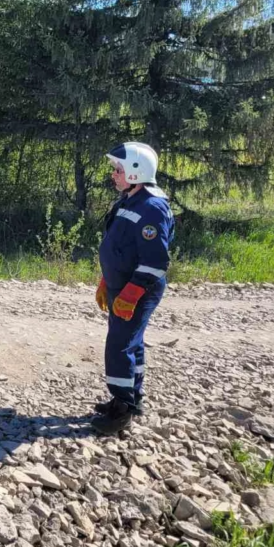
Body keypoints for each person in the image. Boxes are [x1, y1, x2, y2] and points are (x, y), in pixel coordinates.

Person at [92, 142, 174, 435]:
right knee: (132, 344)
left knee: (119, 345)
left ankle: (121, 410)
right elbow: (122, 246)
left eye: (118, 170)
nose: (113, 174)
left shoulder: (152, 207)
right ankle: (133, 397)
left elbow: (155, 261)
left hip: (137, 289)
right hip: (121, 285)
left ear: (136, 172)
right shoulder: (130, 199)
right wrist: (107, 280)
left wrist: (130, 293)